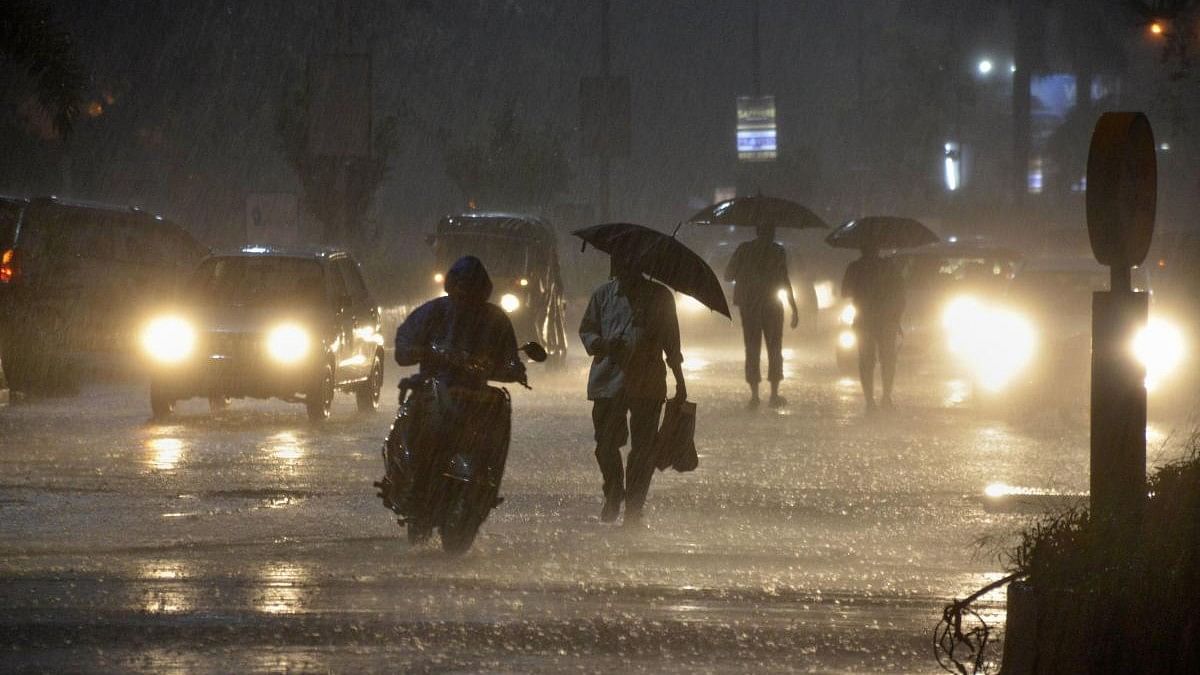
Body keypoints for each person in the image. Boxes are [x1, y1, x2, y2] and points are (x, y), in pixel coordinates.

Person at [389, 256, 526, 519]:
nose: (466, 298)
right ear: (453, 288)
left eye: (472, 291)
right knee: (422, 426)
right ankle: (416, 482)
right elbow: (404, 345)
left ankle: (488, 479)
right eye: (462, 290)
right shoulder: (433, 312)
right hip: (434, 386)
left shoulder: (495, 320)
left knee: (499, 408)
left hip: (477, 394)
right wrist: (422, 352)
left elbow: (510, 358)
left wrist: (513, 369)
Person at [579, 258, 686, 527]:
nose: (624, 269)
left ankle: (634, 508)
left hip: (648, 383)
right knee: (605, 444)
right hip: (608, 381)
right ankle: (614, 489)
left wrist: (680, 382)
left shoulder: (660, 297)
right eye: (620, 263)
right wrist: (603, 344)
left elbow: (672, 342)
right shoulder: (602, 295)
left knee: (643, 449)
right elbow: (587, 330)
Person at [724, 223, 799, 408]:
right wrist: (793, 307)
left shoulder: (744, 250)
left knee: (752, 348)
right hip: (772, 305)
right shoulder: (777, 252)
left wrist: (746, 273)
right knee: (774, 348)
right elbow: (785, 279)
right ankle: (774, 394)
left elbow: (728, 275)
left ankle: (755, 395)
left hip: (750, 306)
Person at [840, 243, 905, 413]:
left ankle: (871, 401)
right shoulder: (888, 267)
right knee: (887, 360)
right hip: (885, 320)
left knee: (867, 361)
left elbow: (845, 292)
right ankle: (885, 398)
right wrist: (897, 317)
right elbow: (900, 294)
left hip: (866, 320)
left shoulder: (855, 267)